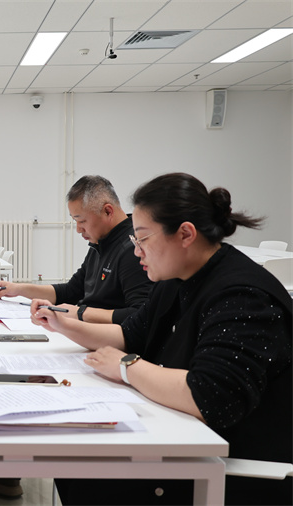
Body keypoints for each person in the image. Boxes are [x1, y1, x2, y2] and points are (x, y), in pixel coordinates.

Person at [31, 173, 292, 506]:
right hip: (185, 437)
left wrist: (127, 367)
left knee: (86, 474)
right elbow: (129, 334)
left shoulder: (242, 295)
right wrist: (63, 324)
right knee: (73, 462)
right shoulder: (176, 278)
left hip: (228, 465)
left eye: (142, 238)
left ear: (185, 234)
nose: (136, 250)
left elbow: (210, 396)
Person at [0, 175, 152, 324]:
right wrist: (18, 289)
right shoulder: (101, 241)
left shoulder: (133, 249)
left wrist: (79, 313)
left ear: (108, 211)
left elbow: (139, 315)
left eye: (81, 221)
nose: (78, 229)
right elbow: (71, 291)